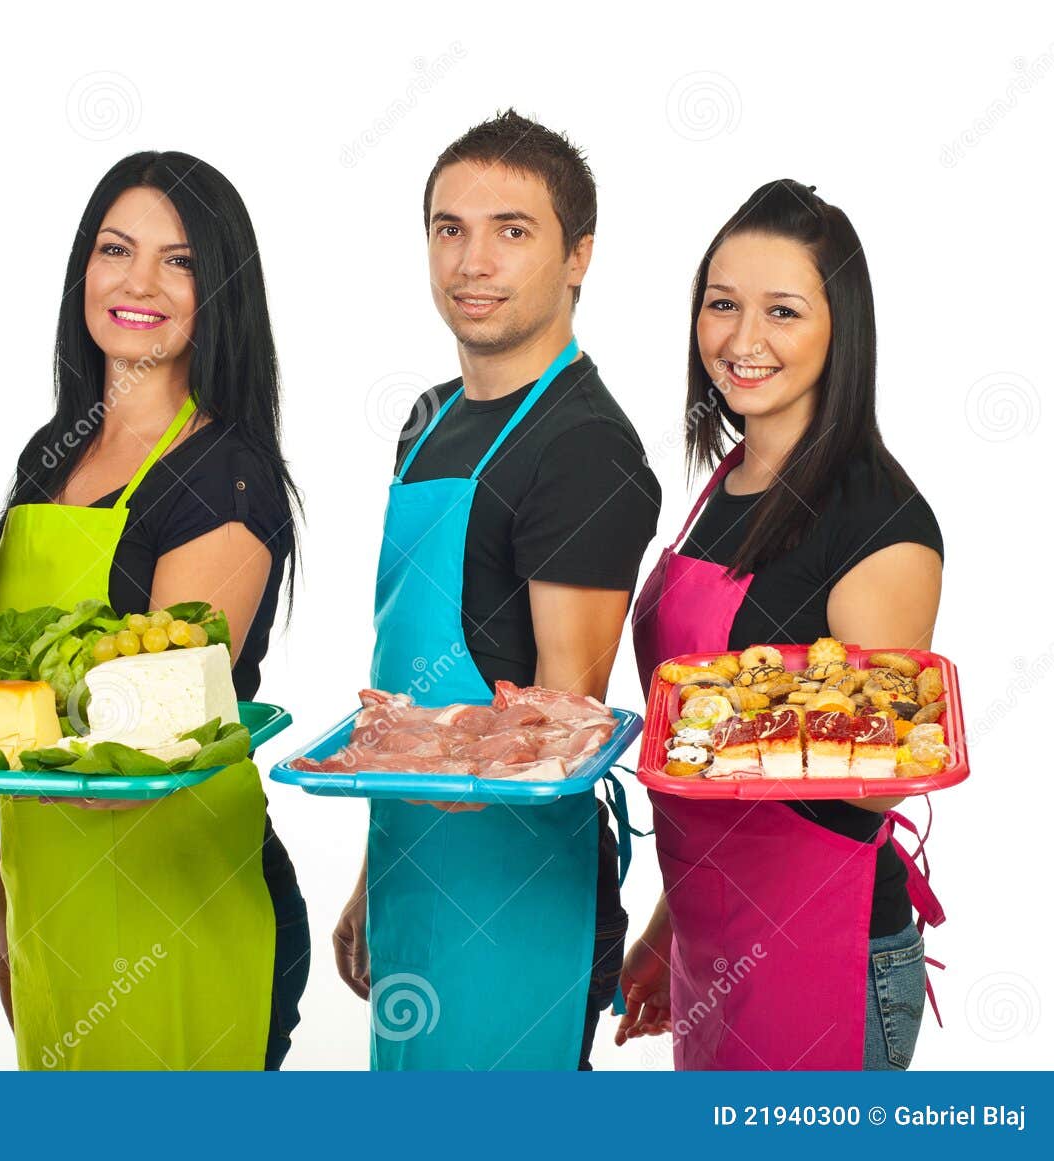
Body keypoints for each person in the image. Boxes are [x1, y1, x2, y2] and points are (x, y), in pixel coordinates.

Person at [331, 110, 660, 1069]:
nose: (472, 262)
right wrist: (376, 867)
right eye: (450, 228)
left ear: (578, 255)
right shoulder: (429, 418)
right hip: (415, 857)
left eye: (512, 230)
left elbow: (565, 722)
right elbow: (407, 684)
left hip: (516, 890)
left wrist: (440, 790)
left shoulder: (584, 445)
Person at [0, 151, 308, 1070]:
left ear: (220, 291)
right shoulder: (51, 455)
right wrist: (5, 893)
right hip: (55, 896)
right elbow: (23, 709)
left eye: (180, 261)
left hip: (183, 902)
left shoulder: (224, 476)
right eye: (116, 250)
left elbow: (158, 727)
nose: (139, 283)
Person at [619, 179, 945, 1071]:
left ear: (843, 329)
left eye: (784, 311)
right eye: (722, 304)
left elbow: (877, 782)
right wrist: (666, 928)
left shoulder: (875, 518)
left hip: (824, 949)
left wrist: (739, 725)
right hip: (712, 939)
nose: (742, 340)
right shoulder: (725, 485)